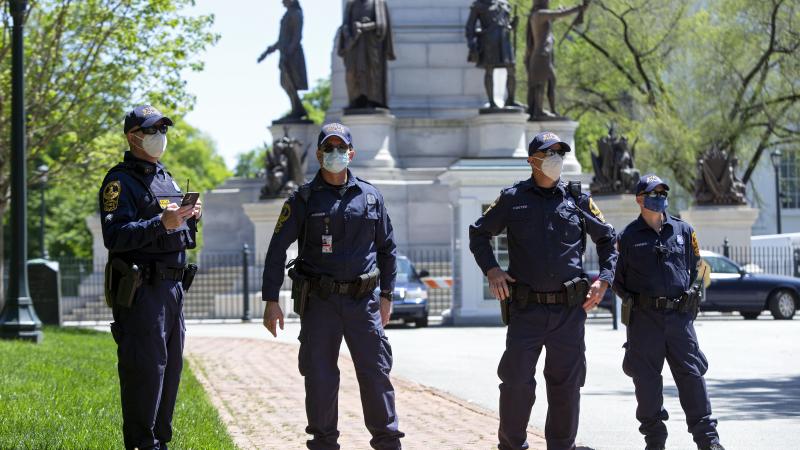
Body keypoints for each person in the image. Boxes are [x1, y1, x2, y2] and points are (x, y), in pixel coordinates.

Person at [469, 131, 617, 450]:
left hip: (569, 311)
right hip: (527, 310)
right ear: (532, 161)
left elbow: (607, 239)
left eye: (559, 153)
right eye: (548, 154)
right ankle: (512, 445)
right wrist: (492, 270)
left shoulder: (577, 199)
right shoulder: (513, 198)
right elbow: (478, 234)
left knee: (566, 386)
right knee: (516, 384)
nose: (556, 160)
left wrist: (604, 280)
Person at [261, 123, 404, 450]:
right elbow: (276, 250)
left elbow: (388, 249)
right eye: (329, 148)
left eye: (341, 148)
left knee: (376, 375)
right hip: (320, 303)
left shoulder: (371, 196)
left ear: (351, 153)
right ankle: (324, 444)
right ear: (319, 153)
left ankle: (388, 443)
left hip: (363, 302)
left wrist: (387, 296)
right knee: (321, 379)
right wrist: (271, 300)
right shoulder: (302, 199)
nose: (335, 154)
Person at [99, 105, 202, 449]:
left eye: (163, 129)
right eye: (153, 130)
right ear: (133, 136)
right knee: (145, 374)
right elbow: (115, 236)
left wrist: (189, 218)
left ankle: (160, 443)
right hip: (142, 292)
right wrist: (161, 223)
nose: (160, 137)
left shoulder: (165, 177)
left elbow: (179, 235)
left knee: (169, 374)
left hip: (173, 290)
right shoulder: (120, 180)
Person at [613, 174, 724, 450]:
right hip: (645, 322)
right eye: (653, 192)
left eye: (663, 192)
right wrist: (637, 304)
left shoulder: (684, 231)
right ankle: (655, 442)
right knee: (647, 385)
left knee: (693, 379)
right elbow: (618, 281)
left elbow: (698, 268)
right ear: (640, 199)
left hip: (679, 319)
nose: (660, 196)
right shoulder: (627, 237)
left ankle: (708, 442)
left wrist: (693, 295)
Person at [525, 0, 590, 119]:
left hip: (545, 56)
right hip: (540, 56)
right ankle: (538, 111)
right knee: (540, 84)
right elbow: (558, 14)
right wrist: (577, 8)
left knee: (551, 80)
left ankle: (553, 110)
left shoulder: (543, 15)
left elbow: (556, 15)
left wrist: (573, 10)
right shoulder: (539, 14)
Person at [337, 0, 395, 109]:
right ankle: (356, 99)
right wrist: (350, 36)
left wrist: (364, 26)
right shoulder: (351, 4)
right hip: (354, 46)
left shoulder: (377, 3)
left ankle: (372, 100)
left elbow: (382, 25)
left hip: (372, 46)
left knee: (372, 73)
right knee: (352, 72)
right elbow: (345, 25)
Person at [257, 0, 309, 121]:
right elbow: (281, 39)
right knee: (285, 83)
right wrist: (267, 52)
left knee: (291, 83)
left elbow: (297, 36)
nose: (282, 2)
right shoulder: (288, 14)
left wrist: (288, 53)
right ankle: (297, 109)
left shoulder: (296, 13)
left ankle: (298, 110)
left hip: (293, 55)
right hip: (285, 54)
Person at [465, 0, 521, 109]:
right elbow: (469, 27)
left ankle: (510, 100)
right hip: (489, 42)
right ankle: (491, 102)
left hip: (504, 41)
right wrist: (472, 45)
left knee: (511, 69)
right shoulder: (479, 5)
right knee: (489, 70)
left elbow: (506, 23)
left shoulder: (504, 3)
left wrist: (512, 25)